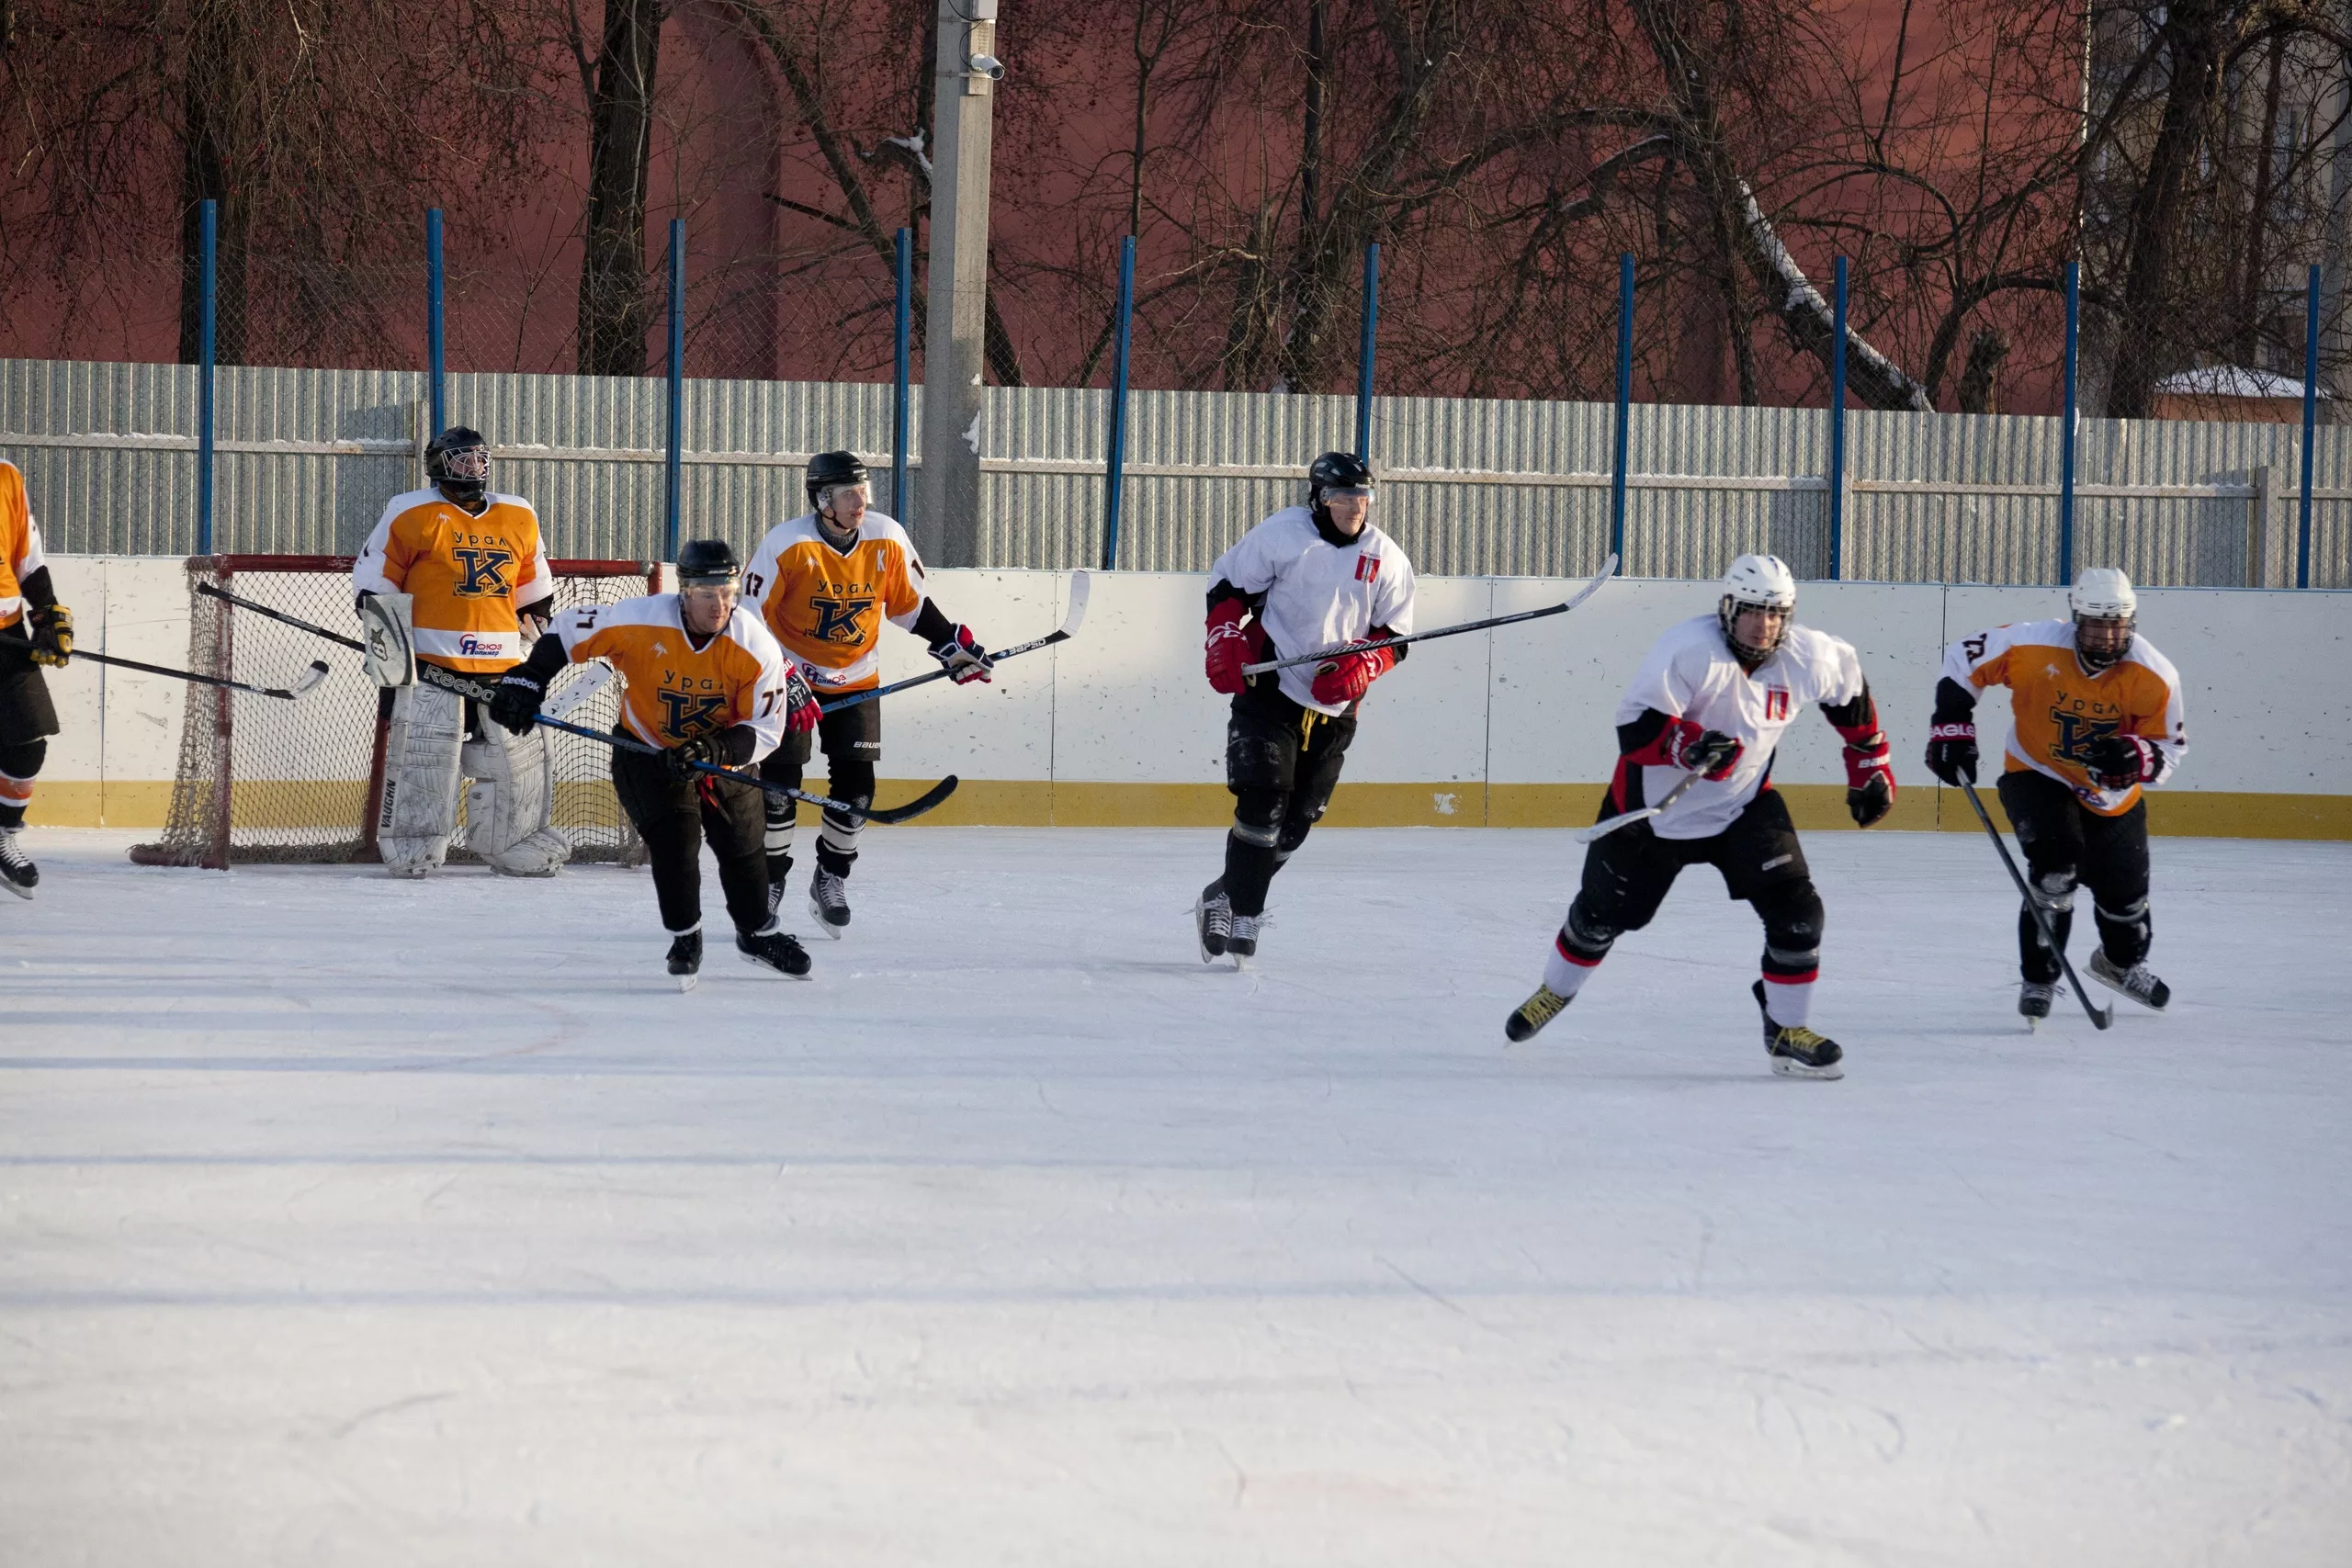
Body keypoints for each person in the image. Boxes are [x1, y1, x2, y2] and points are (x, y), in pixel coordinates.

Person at [1502, 554, 1895, 1078]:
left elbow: (1853, 704)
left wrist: (1870, 766)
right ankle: (1555, 992)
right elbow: (1635, 729)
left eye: (1776, 613)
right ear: (1727, 609)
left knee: (1799, 915)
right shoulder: (1688, 650)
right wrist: (1688, 746)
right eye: (1752, 612)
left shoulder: (1812, 657)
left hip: (1743, 809)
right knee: (1600, 919)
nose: (1765, 626)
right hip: (1649, 818)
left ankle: (1784, 1030)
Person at [490, 539, 821, 987]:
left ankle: (758, 934)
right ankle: (686, 936)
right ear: (684, 592)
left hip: (721, 754)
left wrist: (712, 752)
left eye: (727, 592)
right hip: (647, 749)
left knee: (743, 848)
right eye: (707, 594)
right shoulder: (640, 621)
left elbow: (764, 730)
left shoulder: (755, 645)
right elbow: (568, 629)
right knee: (675, 841)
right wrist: (529, 678)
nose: (719, 604)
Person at [742, 450, 992, 935]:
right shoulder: (786, 544)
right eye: (849, 494)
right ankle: (769, 882)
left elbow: (910, 605)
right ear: (822, 500)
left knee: (857, 789)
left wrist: (950, 644)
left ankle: (830, 879)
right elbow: (748, 620)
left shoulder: (886, 537)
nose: (861, 502)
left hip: (856, 678)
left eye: (864, 491)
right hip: (788, 680)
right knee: (778, 788)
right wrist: (782, 676)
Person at [1924, 567, 2186, 1021]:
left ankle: (2118, 965)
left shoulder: (2154, 675)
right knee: (2054, 869)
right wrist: (1953, 726)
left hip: (2109, 797)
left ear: (2131, 623)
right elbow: (1965, 658)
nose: (2106, 638)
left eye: (2116, 625)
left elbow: (2169, 749)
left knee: (2126, 908)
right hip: (2035, 770)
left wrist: (2134, 757)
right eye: (2096, 625)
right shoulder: (2034, 644)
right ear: (2075, 620)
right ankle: (2040, 978)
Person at [1194, 451, 1417, 965]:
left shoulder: (1387, 558)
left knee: (1296, 824)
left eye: (1363, 497)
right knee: (1261, 805)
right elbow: (1228, 589)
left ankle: (1222, 895)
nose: (1354, 507)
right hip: (1271, 689)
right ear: (1318, 498)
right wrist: (1224, 636)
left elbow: (1396, 635)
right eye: (1343, 497)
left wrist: (1367, 663)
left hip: (1336, 706)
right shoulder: (1283, 535)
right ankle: (1246, 914)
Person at [352, 426, 569, 876]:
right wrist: (389, 648)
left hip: (503, 666)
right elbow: (377, 578)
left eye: (478, 458)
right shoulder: (410, 511)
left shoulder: (519, 513)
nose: (473, 467)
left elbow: (532, 581)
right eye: (461, 459)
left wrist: (538, 621)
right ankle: (413, 845)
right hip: (432, 665)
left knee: (519, 761)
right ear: (437, 464)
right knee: (425, 760)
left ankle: (514, 840)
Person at [0, 458, 71, 897]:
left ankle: (3, 835)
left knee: (29, 738)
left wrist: (45, 613)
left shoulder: (5, 475)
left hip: (6, 630)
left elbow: (27, 555)